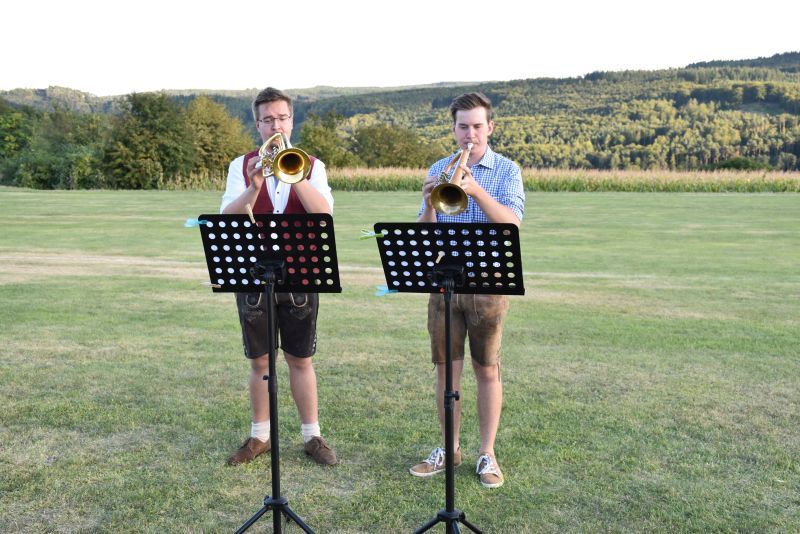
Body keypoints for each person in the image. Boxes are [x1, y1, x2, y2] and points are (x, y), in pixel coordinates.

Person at [410, 92, 525, 488]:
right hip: (445, 283)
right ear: (454, 128)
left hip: (489, 283)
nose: (470, 134)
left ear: (490, 127)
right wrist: (429, 204)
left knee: (486, 368)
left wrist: (475, 191)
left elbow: (511, 224)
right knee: (446, 370)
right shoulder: (439, 168)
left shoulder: (506, 170)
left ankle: (487, 453)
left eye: (477, 126)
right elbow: (424, 237)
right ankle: (450, 447)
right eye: (463, 126)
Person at [220, 87, 337, 466]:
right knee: (260, 360)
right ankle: (260, 436)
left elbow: (324, 214)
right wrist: (254, 187)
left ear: (292, 121)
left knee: (300, 358)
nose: (276, 125)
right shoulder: (241, 165)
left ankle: (312, 436)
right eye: (268, 119)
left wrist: (296, 176)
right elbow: (227, 217)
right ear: (257, 125)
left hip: (300, 273)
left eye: (282, 118)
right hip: (254, 273)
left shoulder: (313, 166)